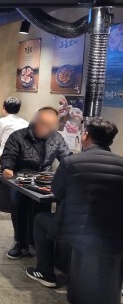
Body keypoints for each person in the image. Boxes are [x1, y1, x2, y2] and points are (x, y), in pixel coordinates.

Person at [26, 118, 123, 287]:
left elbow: (58, 192)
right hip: (115, 230)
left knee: (40, 219)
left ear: (86, 135)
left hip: (78, 229)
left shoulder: (72, 162)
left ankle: (45, 273)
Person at [0, 106, 70, 259]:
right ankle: (20, 243)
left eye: (51, 125)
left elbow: (67, 158)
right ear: (35, 121)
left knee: (44, 207)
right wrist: (7, 168)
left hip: (45, 178)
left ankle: (39, 244)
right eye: (44, 124)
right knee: (18, 203)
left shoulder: (57, 138)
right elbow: (8, 156)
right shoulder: (18, 136)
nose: (47, 128)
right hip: (21, 178)